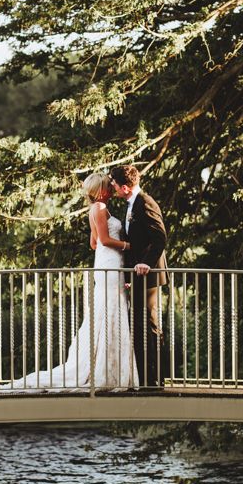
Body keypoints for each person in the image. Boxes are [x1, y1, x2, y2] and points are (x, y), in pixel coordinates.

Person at [0, 172, 138, 391]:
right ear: (101, 190)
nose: (111, 188)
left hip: (107, 260)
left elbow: (93, 243)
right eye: (108, 186)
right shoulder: (99, 208)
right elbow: (105, 241)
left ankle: (110, 366)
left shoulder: (97, 209)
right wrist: (128, 246)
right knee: (110, 311)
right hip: (110, 263)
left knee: (109, 311)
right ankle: (107, 370)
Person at [109, 165, 167, 388]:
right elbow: (137, 243)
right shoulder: (132, 204)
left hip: (149, 275)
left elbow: (159, 238)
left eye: (114, 183)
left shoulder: (145, 202)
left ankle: (155, 380)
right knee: (140, 325)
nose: (112, 187)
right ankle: (145, 378)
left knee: (150, 326)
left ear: (124, 187)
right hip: (137, 275)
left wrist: (146, 263)